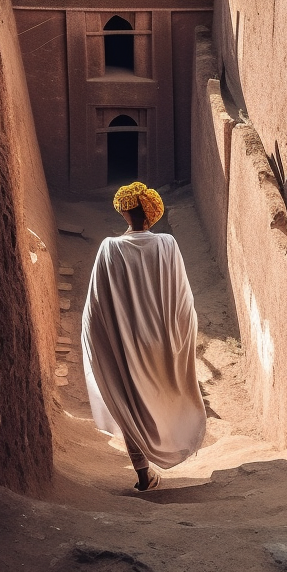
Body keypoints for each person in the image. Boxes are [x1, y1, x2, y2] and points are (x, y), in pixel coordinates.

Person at [81, 182, 206, 491]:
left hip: (126, 344)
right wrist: (180, 338)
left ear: (124, 212)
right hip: (161, 343)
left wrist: (100, 343)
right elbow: (183, 300)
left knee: (129, 406)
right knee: (160, 397)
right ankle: (172, 443)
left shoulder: (110, 248)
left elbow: (96, 306)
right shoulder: (167, 244)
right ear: (153, 213)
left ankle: (143, 475)